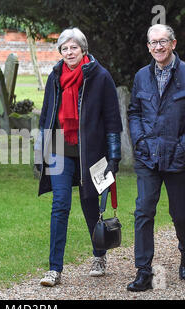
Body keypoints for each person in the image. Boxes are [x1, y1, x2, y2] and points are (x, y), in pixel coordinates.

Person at [126, 24, 185, 291]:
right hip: (148, 157)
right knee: (144, 210)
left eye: (163, 42)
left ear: (173, 44)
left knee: (179, 213)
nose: (158, 47)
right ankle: (143, 271)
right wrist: (140, 140)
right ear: (148, 46)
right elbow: (134, 112)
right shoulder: (141, 77)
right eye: (153, 42)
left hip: (180, 157)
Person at [35, 27, 122, 287]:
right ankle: (54, 269)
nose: (69, 52)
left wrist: (114, 156)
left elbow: (112, 120)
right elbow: (46, 115)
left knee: (89, 205)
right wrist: (40, 150)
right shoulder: (55, 76)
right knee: (60, 206)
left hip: (90, 153)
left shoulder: (100, 77)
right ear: (60, 52)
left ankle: (99, 255)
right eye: (64, 48)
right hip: (59, 151)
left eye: (74, 47)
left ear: (83, 49)